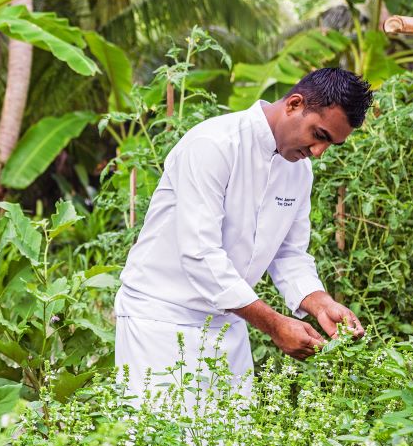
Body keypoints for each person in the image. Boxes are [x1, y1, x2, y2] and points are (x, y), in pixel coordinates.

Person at [114, 67, 371, 399]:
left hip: (228, 325)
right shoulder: (214, 144)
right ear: (294, 104)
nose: (319, 152)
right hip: (161, 322)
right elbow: (199, 255)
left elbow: (290, 254)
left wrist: (320, 302)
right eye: (319, 135)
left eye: (331, 144)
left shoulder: (299, 171)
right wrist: (275, 325)